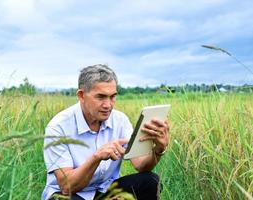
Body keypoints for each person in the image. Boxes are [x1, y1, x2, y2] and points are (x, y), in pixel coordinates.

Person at [42, 64, 170, 200]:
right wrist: (96, 157)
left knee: (150, 181)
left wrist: (159, 149)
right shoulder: (58, 127)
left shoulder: (120, 120)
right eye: (101, 97)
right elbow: (67, 187)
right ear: (81, 95)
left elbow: (141, 165)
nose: (108, 105)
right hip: (68, 195)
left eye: (112, 96)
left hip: (105, 191)